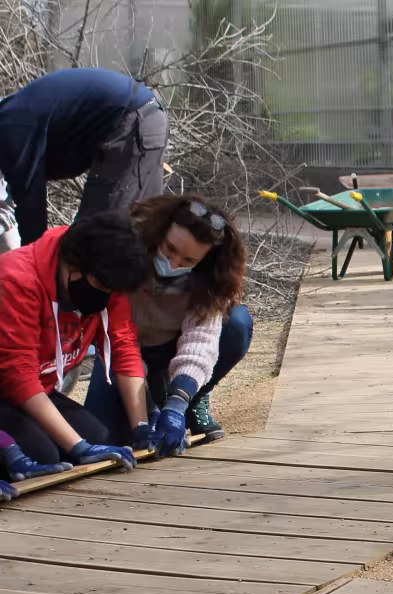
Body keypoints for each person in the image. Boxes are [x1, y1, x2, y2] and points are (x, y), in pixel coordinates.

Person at [84, 195, 250, 454]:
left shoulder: (212, 278)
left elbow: (201, 343)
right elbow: (118, 341)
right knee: (104, 438)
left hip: (173, 347)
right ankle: (157, 399)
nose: (173, 265)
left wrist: (178, 401)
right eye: (169, 249)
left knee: (237, 323)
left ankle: (193, 399)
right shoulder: (126, 251)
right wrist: (146, 410)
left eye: (188, 261)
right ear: (160, 232)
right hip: (121, 352)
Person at [0, 211, 153, 474]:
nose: (107, 295)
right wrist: (78, 447)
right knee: (44, 453)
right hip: (8, 388)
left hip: (39, 388)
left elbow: (123, 348)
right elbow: (18, 376)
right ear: (73, 264)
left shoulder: (107, 275)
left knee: (101, 441)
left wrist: (142, 429)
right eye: (102, 285)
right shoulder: (15, 278)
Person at [0, 67, 169, 249]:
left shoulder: (10, 130)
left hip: (131, 124)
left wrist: (30, 261)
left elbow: (30, 209)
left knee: (92, 241)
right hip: (146, 117)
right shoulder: (12, 115)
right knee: (142, 232)